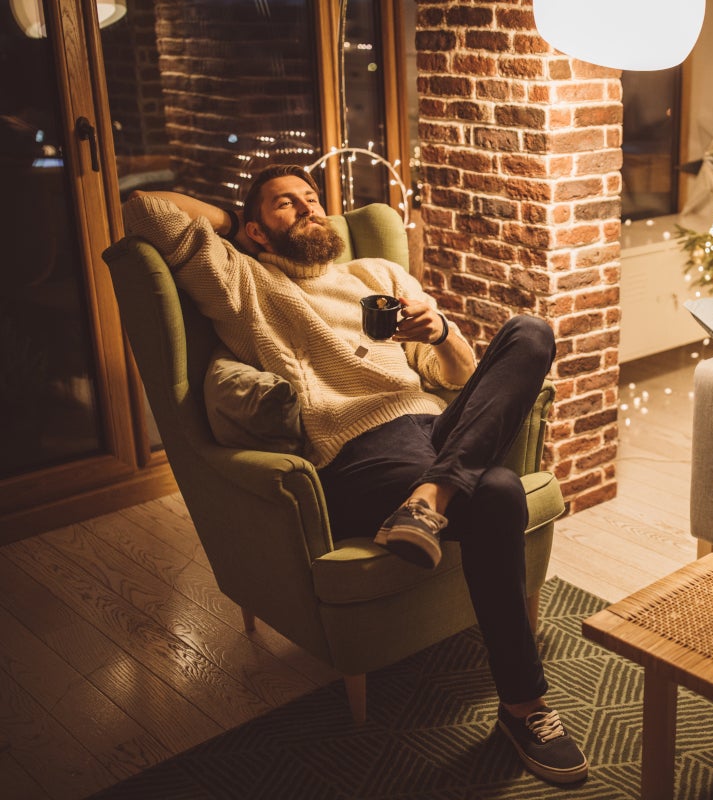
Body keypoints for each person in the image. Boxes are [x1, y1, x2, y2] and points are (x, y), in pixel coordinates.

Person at [123, 164, 588, 785]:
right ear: (259, 231)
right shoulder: (244, 282)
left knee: (530, 332)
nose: (309, 210)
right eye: (286, 205)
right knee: (499, 489)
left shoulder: (378, 276)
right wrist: (236, 225)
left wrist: (440, 330)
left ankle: (433, 494)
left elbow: (453, 377)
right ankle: (524, 706)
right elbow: (144, 207)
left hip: (432, 431)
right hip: (353, 453)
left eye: (312, 199)